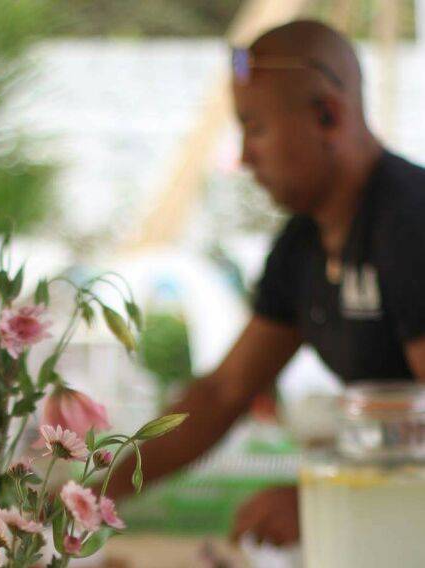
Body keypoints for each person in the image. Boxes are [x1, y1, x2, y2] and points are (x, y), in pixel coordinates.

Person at [105, 19, 425, 546]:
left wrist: (327, 500)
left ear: (328, 115)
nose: (245, 157)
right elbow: (220, 394)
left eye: (254, 128)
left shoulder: (410, 226)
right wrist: (85, 498)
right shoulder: (303, 246)